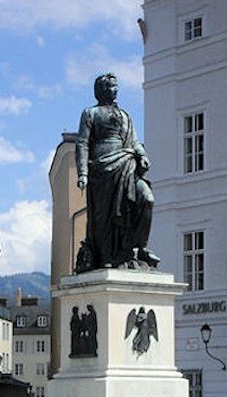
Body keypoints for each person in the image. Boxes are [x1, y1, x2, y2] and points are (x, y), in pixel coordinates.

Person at [76, 73, 160, 271]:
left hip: (127, 164)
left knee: (147, 200)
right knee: (106, 216)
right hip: (102, 170)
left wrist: (142, 155)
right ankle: (108, 254)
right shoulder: (90, 113)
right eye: (112, 86)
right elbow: (82, 143)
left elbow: (134, 141)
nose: (116, 90)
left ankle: (139, 247)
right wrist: (83, 173)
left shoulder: (125, 115)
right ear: (101, 90)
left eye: (116, 86)